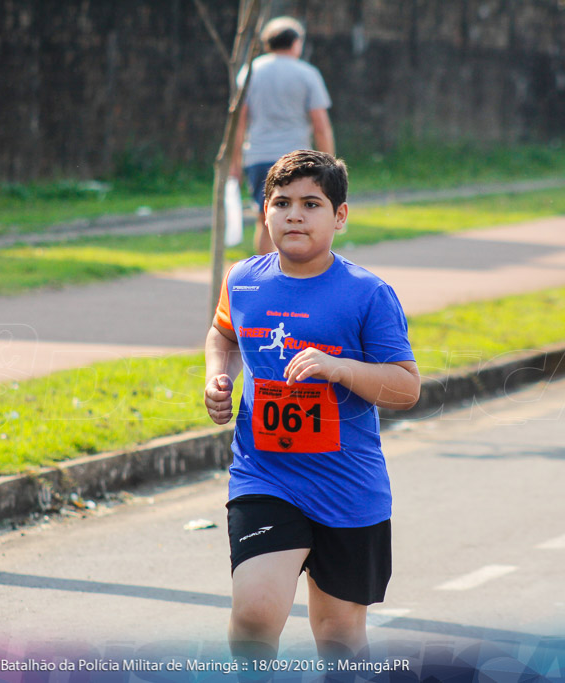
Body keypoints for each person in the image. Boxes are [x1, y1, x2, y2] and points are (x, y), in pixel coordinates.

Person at [204, 150, 421, 664]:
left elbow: (406, 388)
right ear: (265, 213)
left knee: (339, 637)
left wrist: (339, 368)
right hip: (266, 475)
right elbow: (223, 334)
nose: (294, 214)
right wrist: (218, 376)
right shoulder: (244, 281)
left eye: (311, 203)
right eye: (281, 203)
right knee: (255, 616)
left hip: (348, 488)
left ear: (340, 216)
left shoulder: (368, 294)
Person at [231, 16, 336, 256]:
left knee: (266, 217)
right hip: (298, 159)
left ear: (267, 43)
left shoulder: (249, 72)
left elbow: (239, 122)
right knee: (306, 216)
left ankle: (264, 273)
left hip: (258, 155)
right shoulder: (308, 74)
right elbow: (321, 126)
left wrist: (235, 162)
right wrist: (329, 162)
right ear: (296, 43)